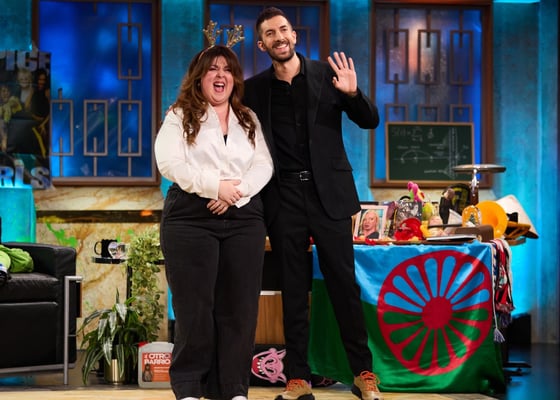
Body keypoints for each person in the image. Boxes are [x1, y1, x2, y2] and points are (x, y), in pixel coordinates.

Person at [243, 7, 382, 400]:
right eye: (270, 33)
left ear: (294, 35)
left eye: (283, 29)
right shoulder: (253, 90)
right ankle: (297, 378)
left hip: (329, 196)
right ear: (262, 44)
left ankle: (363, 373)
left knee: (343, 286)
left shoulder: (328, 75)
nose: (279, 37)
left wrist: (353, 94)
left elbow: (370, 120)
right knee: (293, 290)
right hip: (282, 197)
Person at [155, 44, 274, 400]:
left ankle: (234, 389)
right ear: (199, 77)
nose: (220, 75)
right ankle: (190, 388)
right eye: (212, 69)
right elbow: (170, 163)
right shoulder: (179, 115)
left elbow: (264, 165)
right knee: (194, 309)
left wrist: (234, 192)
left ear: (235, 79)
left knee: (240, 308)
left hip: (244, 216)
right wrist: (214, 186)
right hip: (189, 217)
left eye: (227, 69)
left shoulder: (248, 118)